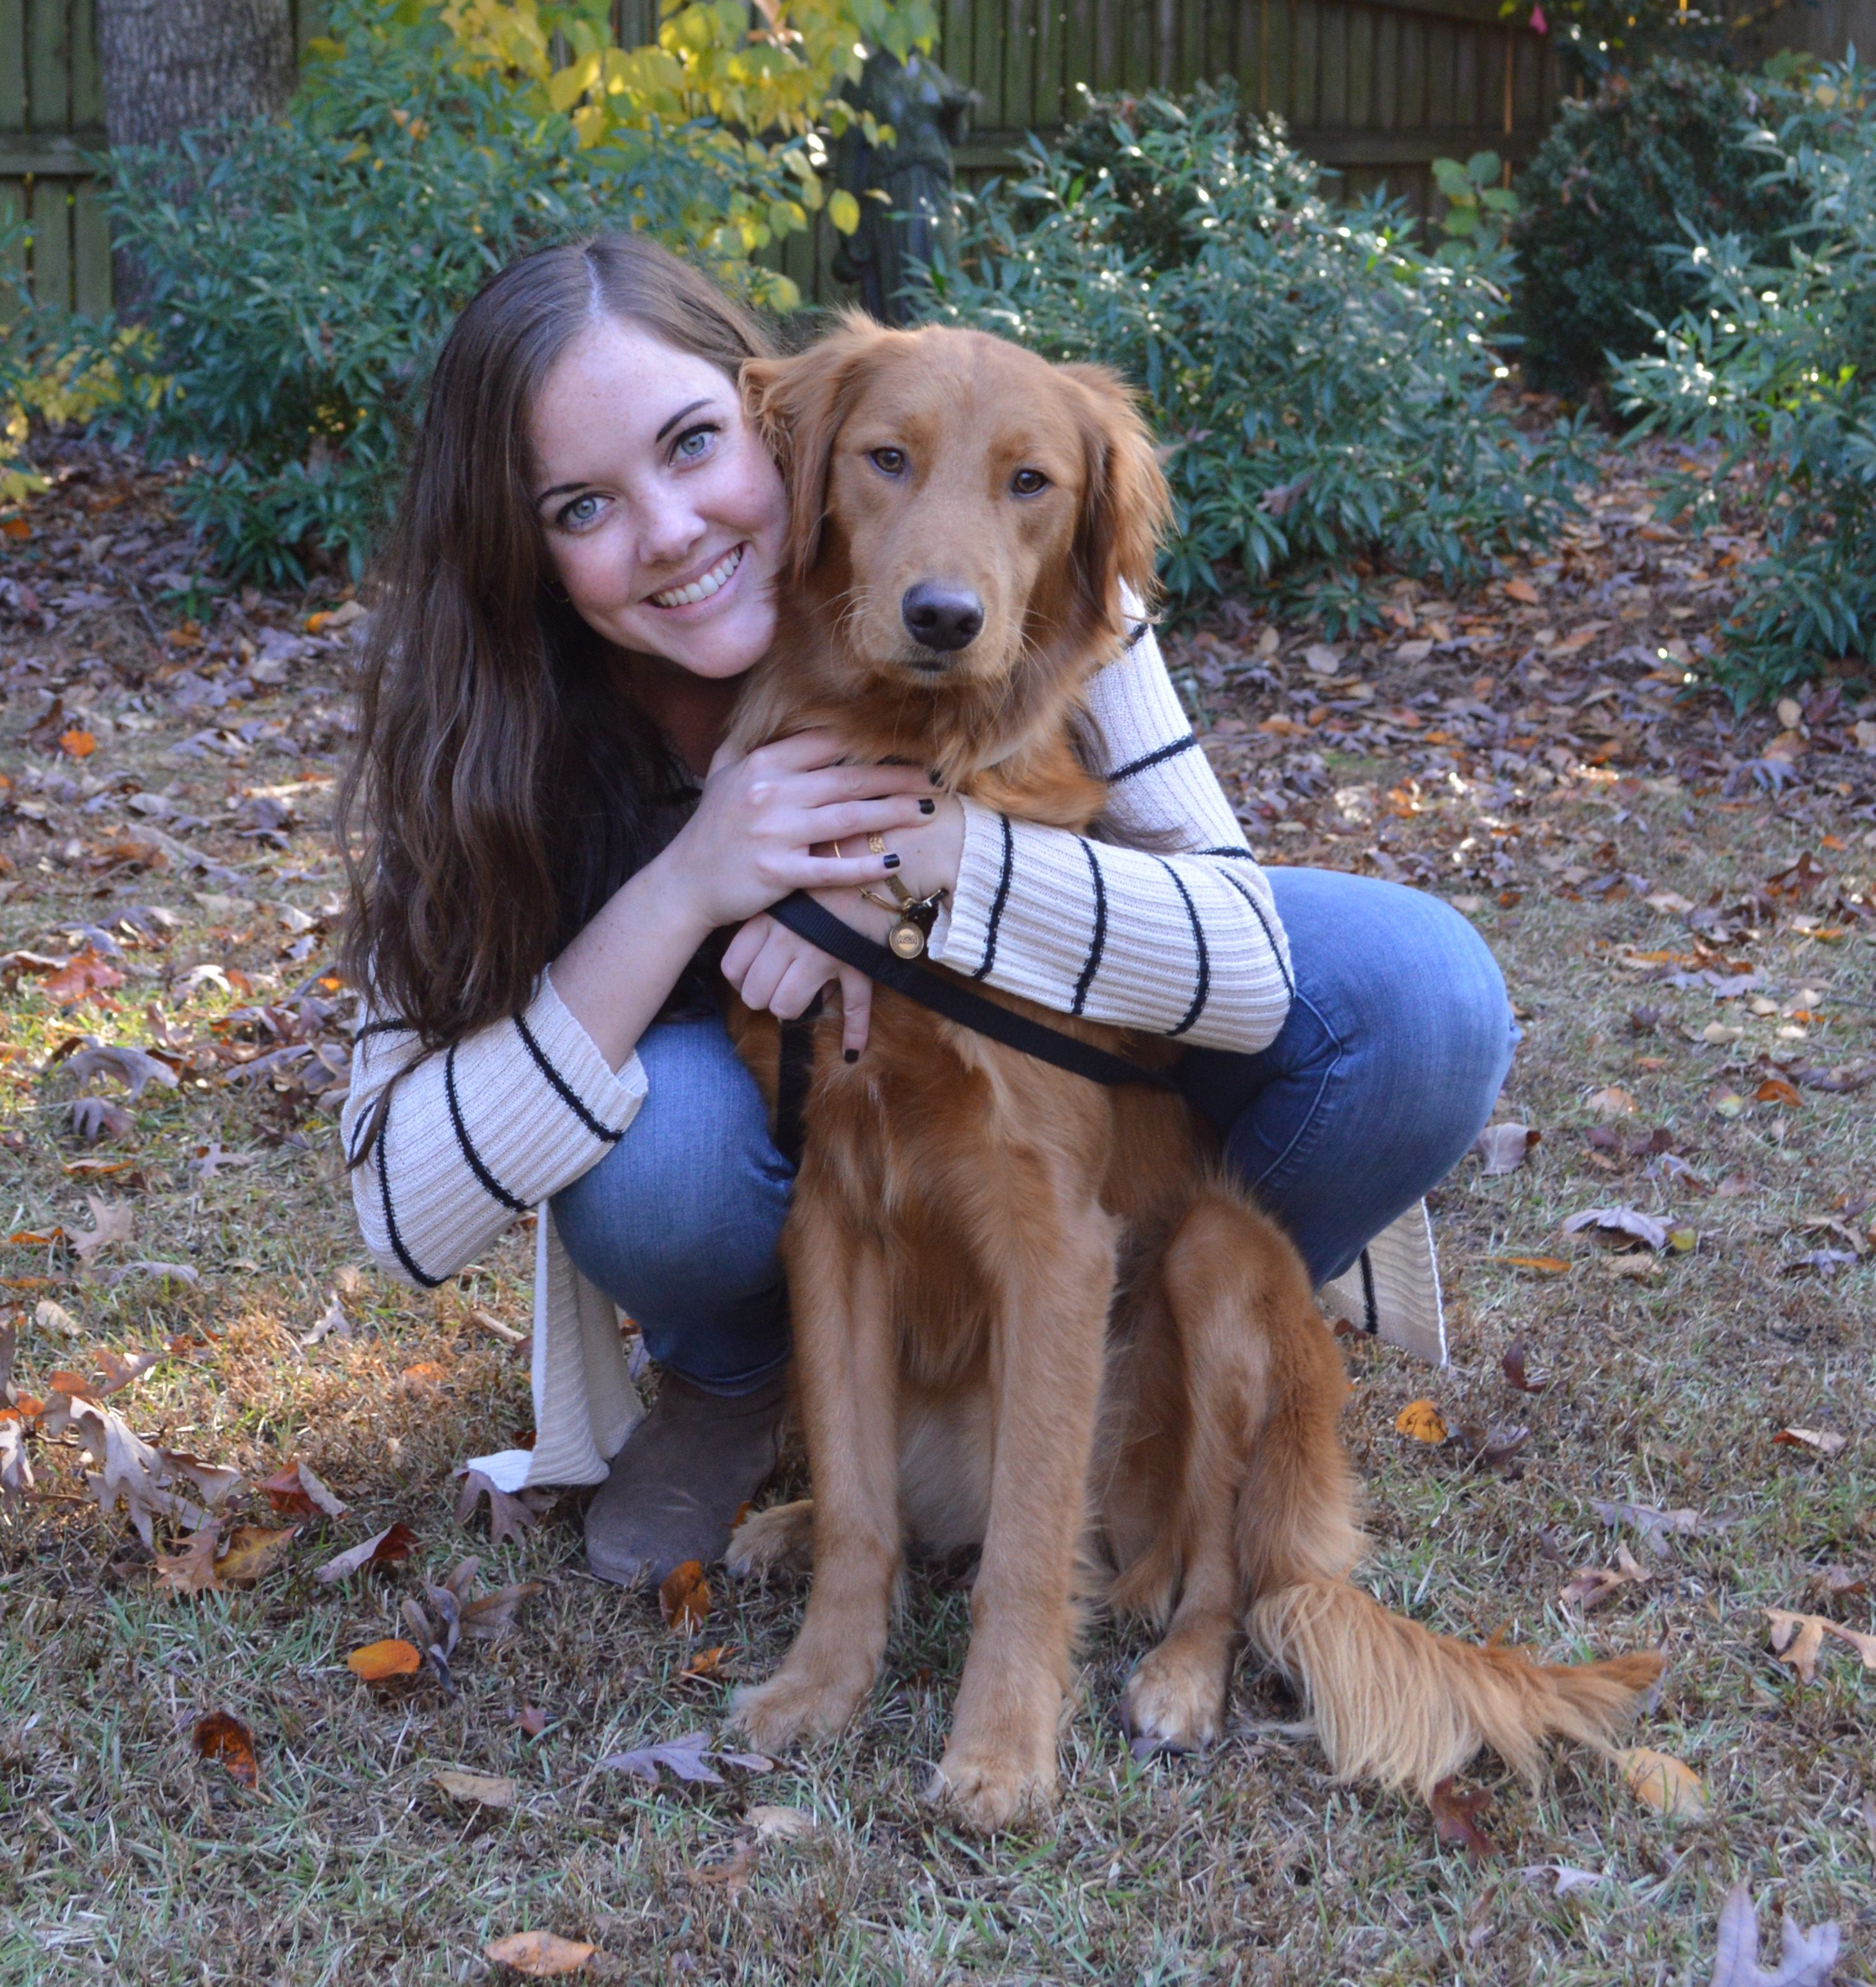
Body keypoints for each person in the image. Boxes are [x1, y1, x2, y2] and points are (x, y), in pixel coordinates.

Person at [337, 235, 1514, 1587]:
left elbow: (1248, 964)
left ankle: (1134, 1378)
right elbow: (402, 1207)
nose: (668, 530)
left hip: (1050, 1165)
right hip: (779, 1174)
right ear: (516, 546)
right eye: (579, 508)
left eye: (689, 444)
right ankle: (738, 1384)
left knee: (1418, 994)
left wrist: (918, 857)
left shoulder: (1009, 572)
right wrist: (690, 881)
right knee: (665, 1156)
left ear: (773, 424)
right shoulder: (484, 717)